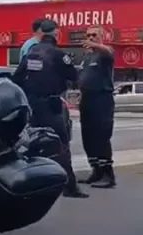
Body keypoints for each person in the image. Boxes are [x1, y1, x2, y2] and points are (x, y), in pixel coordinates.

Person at [12, 32, 88, 198]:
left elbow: (17, 78)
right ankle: (70, 187)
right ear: (55, 42)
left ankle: (33, 184)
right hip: (51, 105)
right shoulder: (58, 54)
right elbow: (74, 76)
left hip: (32, 105)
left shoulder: (30, 54)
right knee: (61, 144)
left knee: (32, 143)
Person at [77, 28, 116, 187]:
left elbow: (107, 51)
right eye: (88, 35)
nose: (91, 38)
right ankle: (96, 170)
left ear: (102, 36)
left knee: (101, 136)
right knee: (88, 136)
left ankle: (108, 174)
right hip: (87, 99)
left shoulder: (105, 53)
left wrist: (97, 45)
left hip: (102, 99)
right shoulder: (87, 56)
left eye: (94, 35)